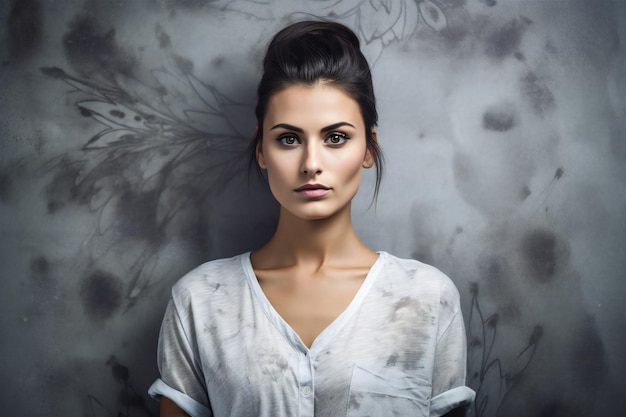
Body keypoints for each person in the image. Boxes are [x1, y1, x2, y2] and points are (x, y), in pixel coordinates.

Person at [148, 20, 475, 417]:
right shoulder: (200, 301)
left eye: (336, 137)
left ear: (369, 148)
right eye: (289, 138)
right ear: (262, 150)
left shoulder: (427, 298)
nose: (311, 164)